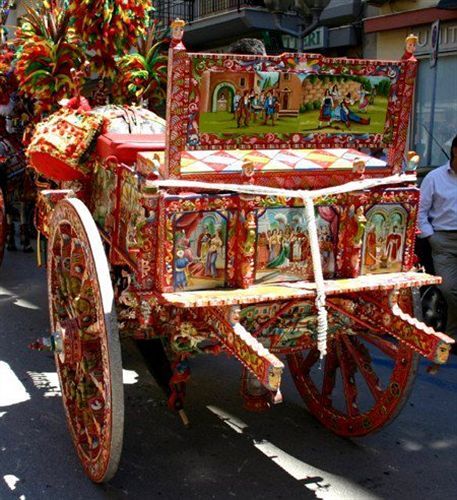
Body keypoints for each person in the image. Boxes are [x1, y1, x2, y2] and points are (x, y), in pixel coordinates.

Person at [418, 135, 457, 343]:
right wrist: (431, 237)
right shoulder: (434, 178)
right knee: (449, 289)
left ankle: (451, 334)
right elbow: (420, 212)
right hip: (443, 240)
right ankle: (451, 336)